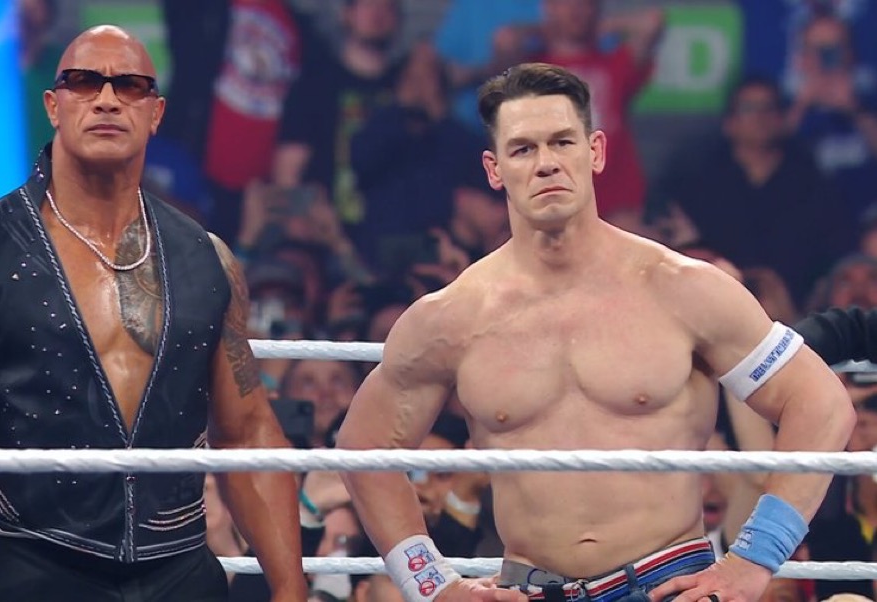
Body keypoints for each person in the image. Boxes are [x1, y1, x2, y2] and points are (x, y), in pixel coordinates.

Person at [335, 62, 855, 602]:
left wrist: (754, 559)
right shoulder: (452, 317)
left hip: (668, 583)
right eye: (523, 149)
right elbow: (363, 448)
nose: (546, 164)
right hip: (530, 587)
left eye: (562, 142)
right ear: (494, 169)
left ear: (596, 151)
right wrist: (434, 588)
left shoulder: (682, 288)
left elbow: (820, 403)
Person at [0, 25, 306, 602]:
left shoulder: (207, 258)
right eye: (84, 82)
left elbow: (248, 432)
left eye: (129, 85)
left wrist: (290, 587)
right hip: (30, 562)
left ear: (155, 113)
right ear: (53, 106)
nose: (106, 99)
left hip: (178, 568)